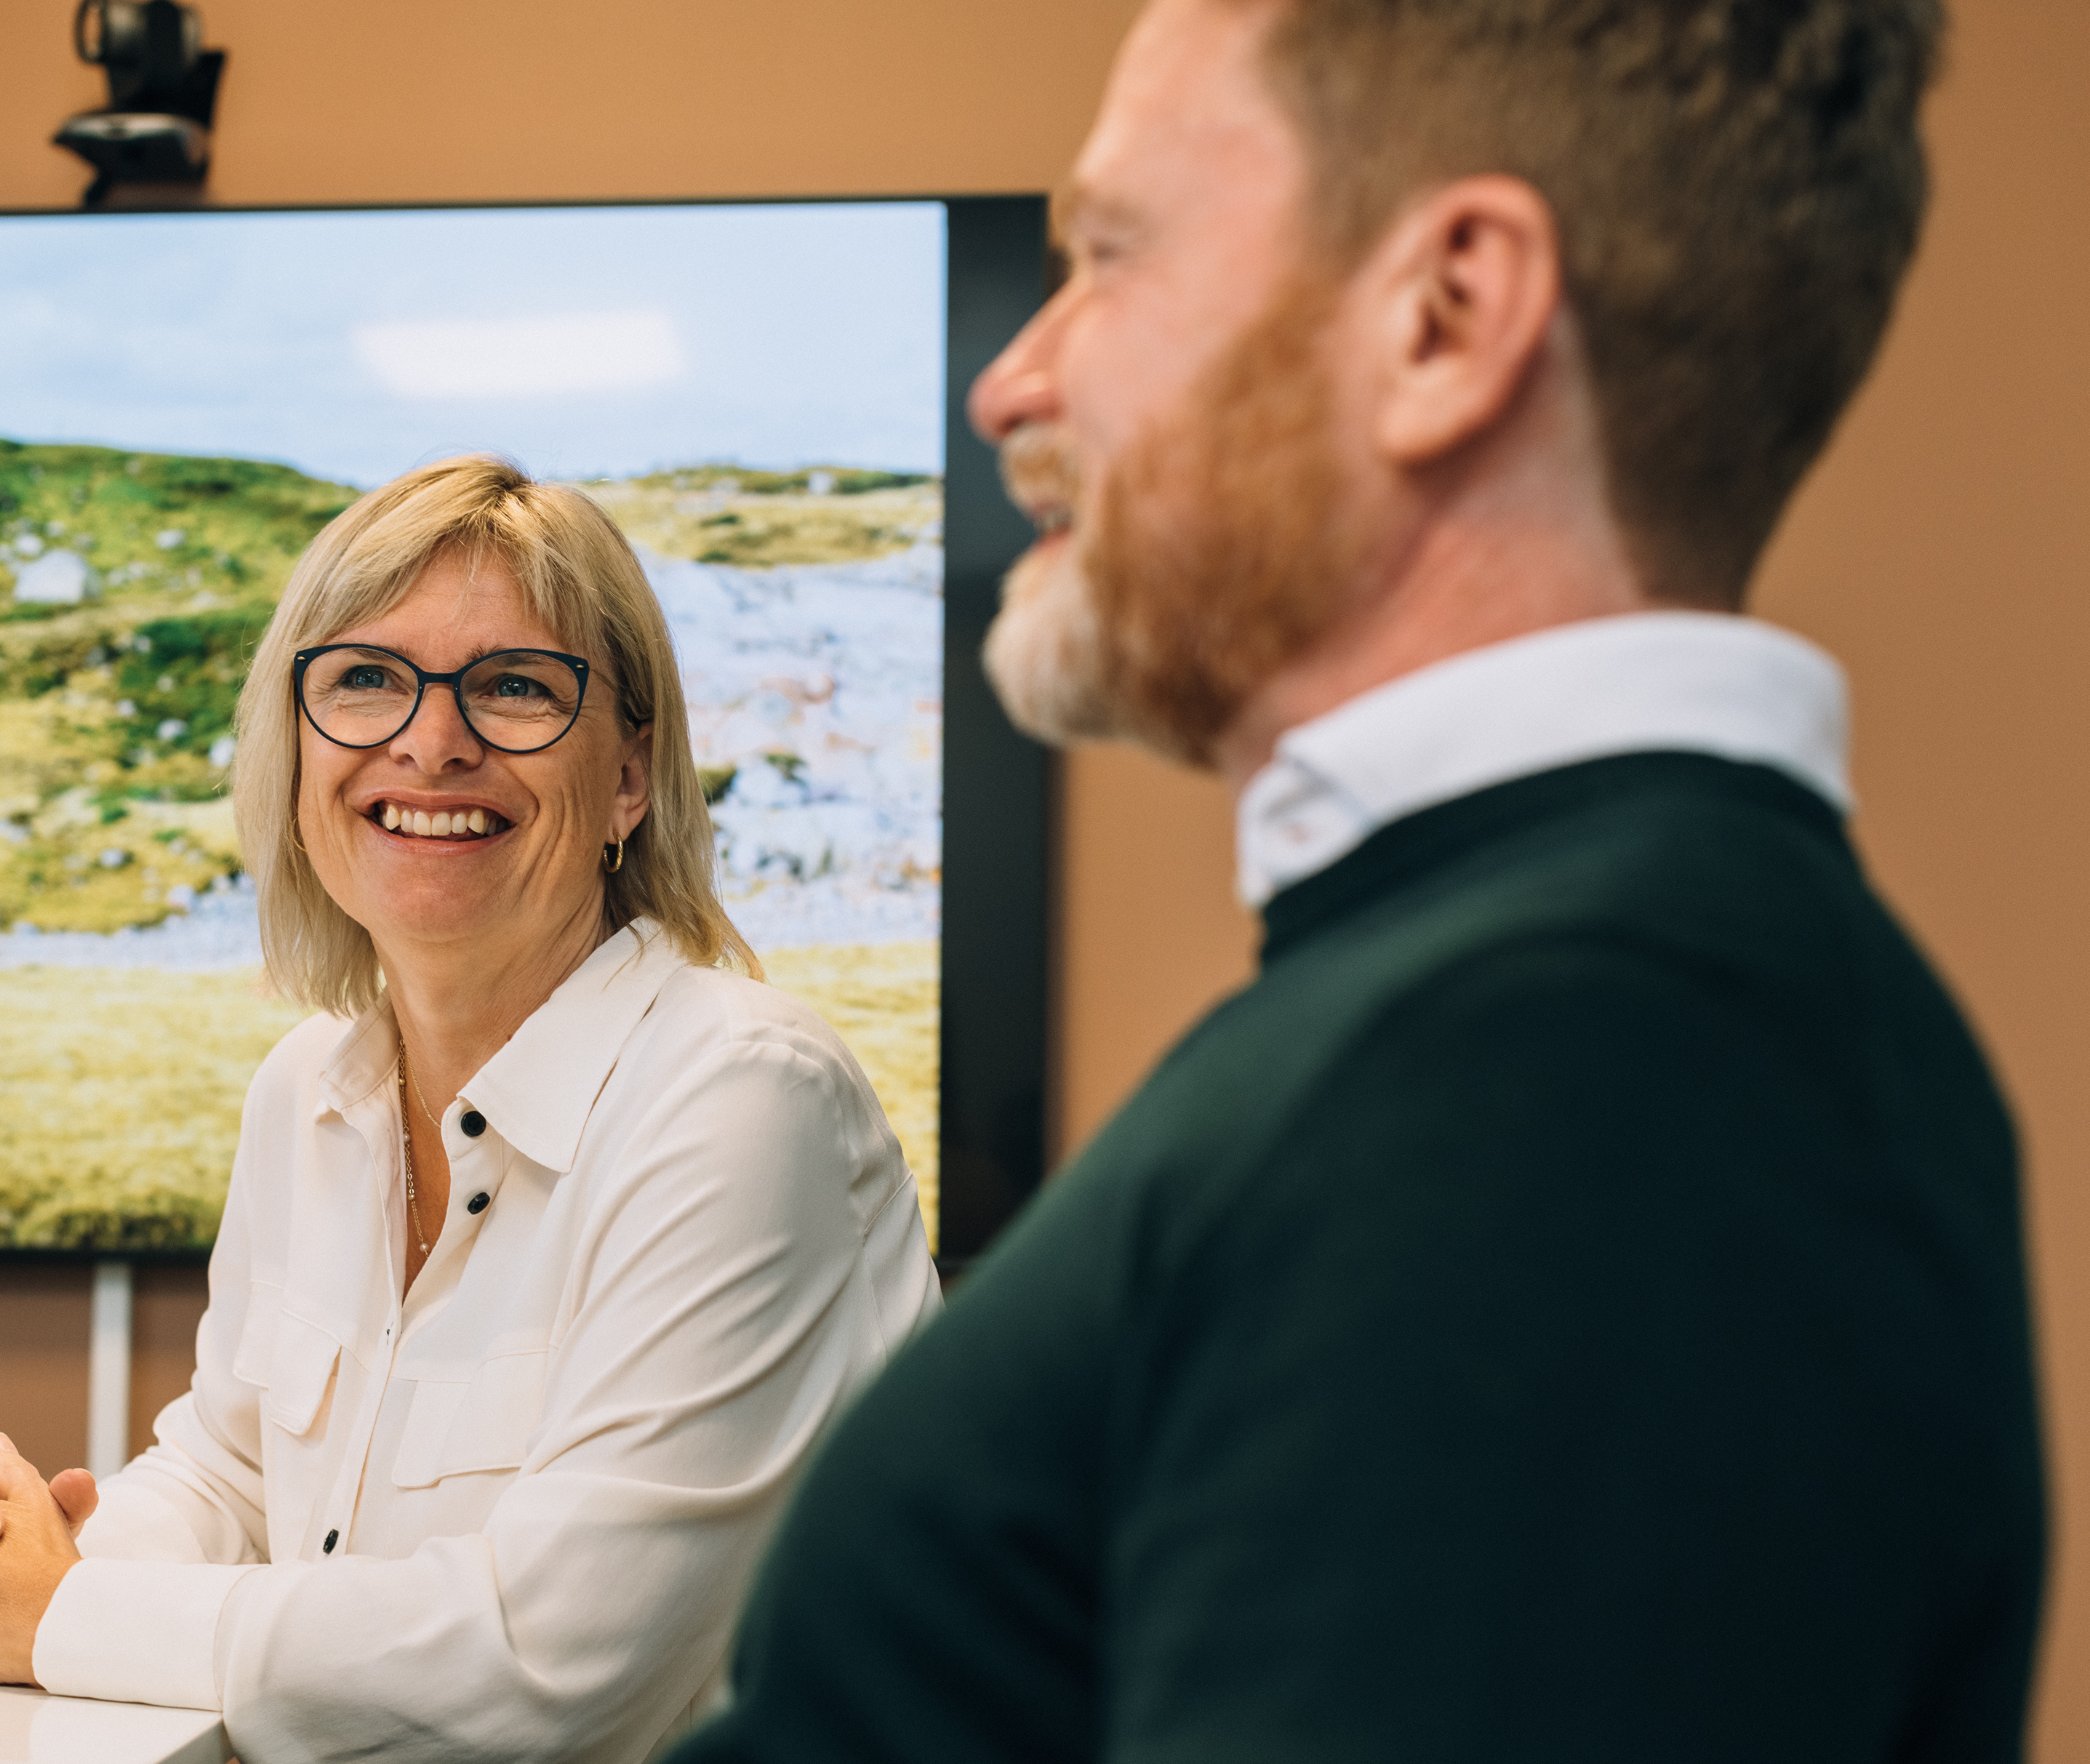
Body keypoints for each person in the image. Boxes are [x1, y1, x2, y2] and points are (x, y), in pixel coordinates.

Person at [669, 1, 2043, 1760]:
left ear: (1443, 321)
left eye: (1106, 255)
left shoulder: (1584, 1080)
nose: (1012, 380)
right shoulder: (1515, 1003)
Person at [0, 456, 940, 1763]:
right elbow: (230, 1477)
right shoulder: (308, 1087)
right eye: (364, 679)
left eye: (515, 687)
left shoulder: (744, 1103)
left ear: (631, 779)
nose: (430, 741)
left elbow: (552, 1667)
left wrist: (57, 1615)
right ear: (298, 750)